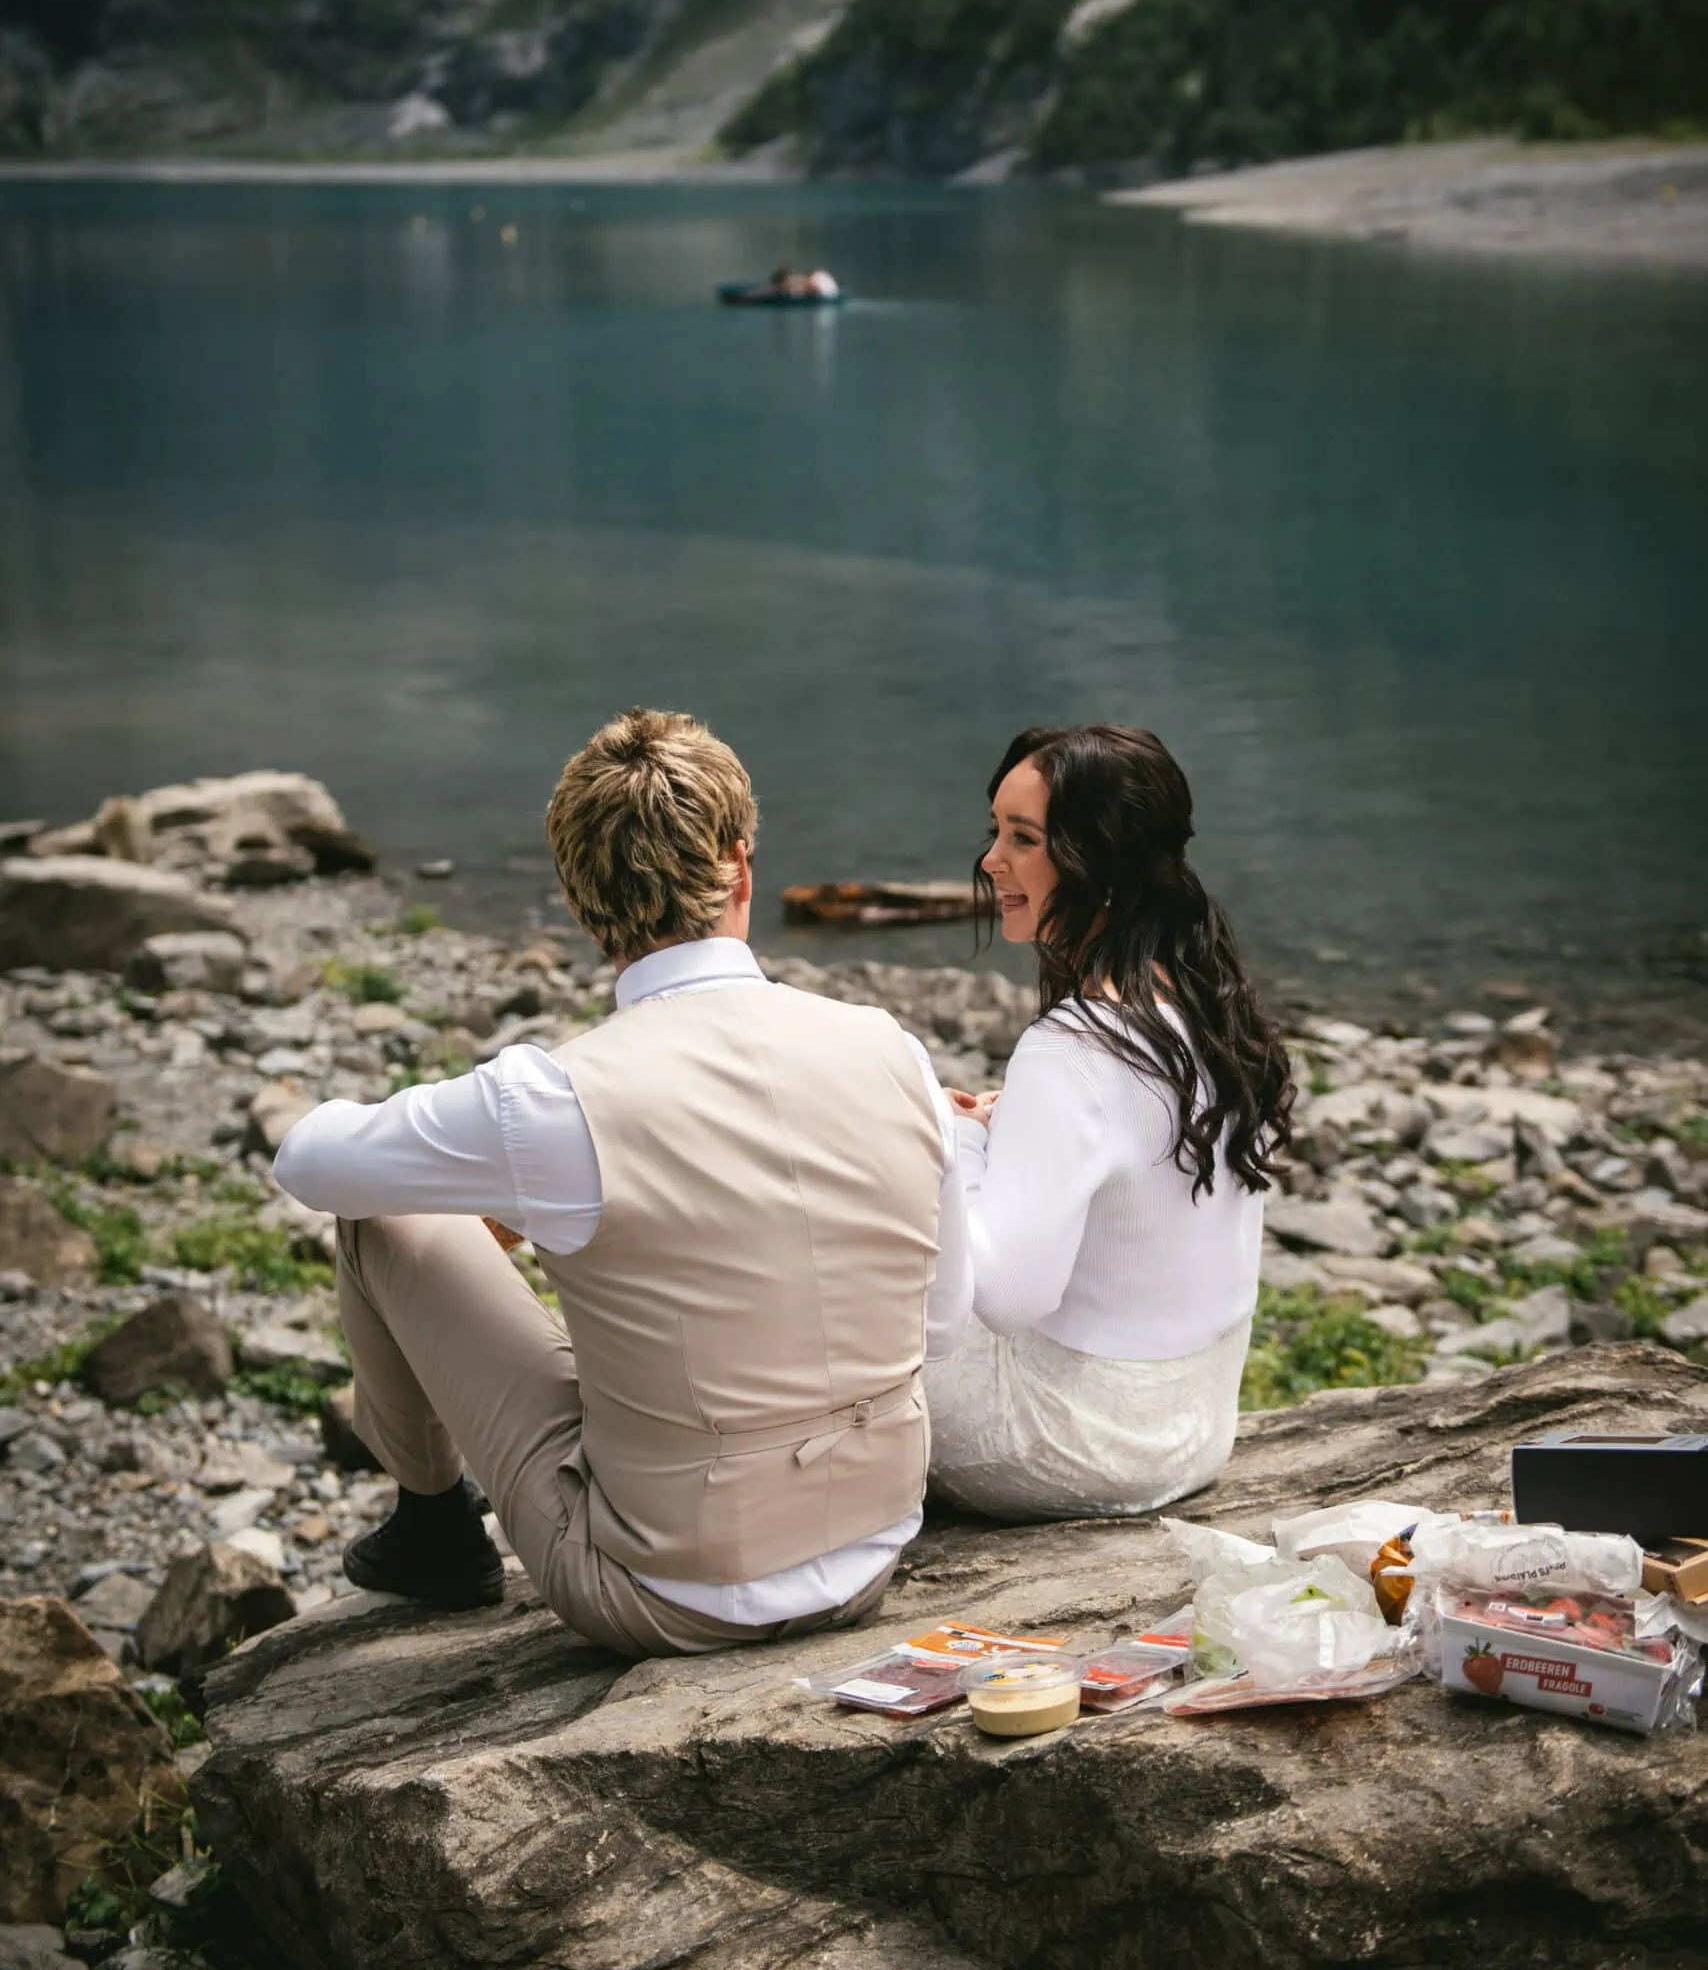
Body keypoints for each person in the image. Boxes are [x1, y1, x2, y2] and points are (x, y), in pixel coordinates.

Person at [274, 708, 971, 1658]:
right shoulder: (890, 1047)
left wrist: (502, 1189)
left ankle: (433, 1532)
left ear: (577, 898)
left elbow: (308, 1162)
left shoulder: (554, 1096)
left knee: (384, 1221)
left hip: (670, 1587)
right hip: (874, 1543)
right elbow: (938, 1313)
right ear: (741, 865)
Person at [922, 724, 1293, 1521]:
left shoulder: (1072, 1049)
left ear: (1100, 862)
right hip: (1193, 1429)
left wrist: (950, 1139)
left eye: (1022, 839)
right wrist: (1009, 1122)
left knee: (847, 1285)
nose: (992, 861)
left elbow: (1005, 1295)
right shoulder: (1202, 1006)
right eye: (996, 832)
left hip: (1070, 1448)